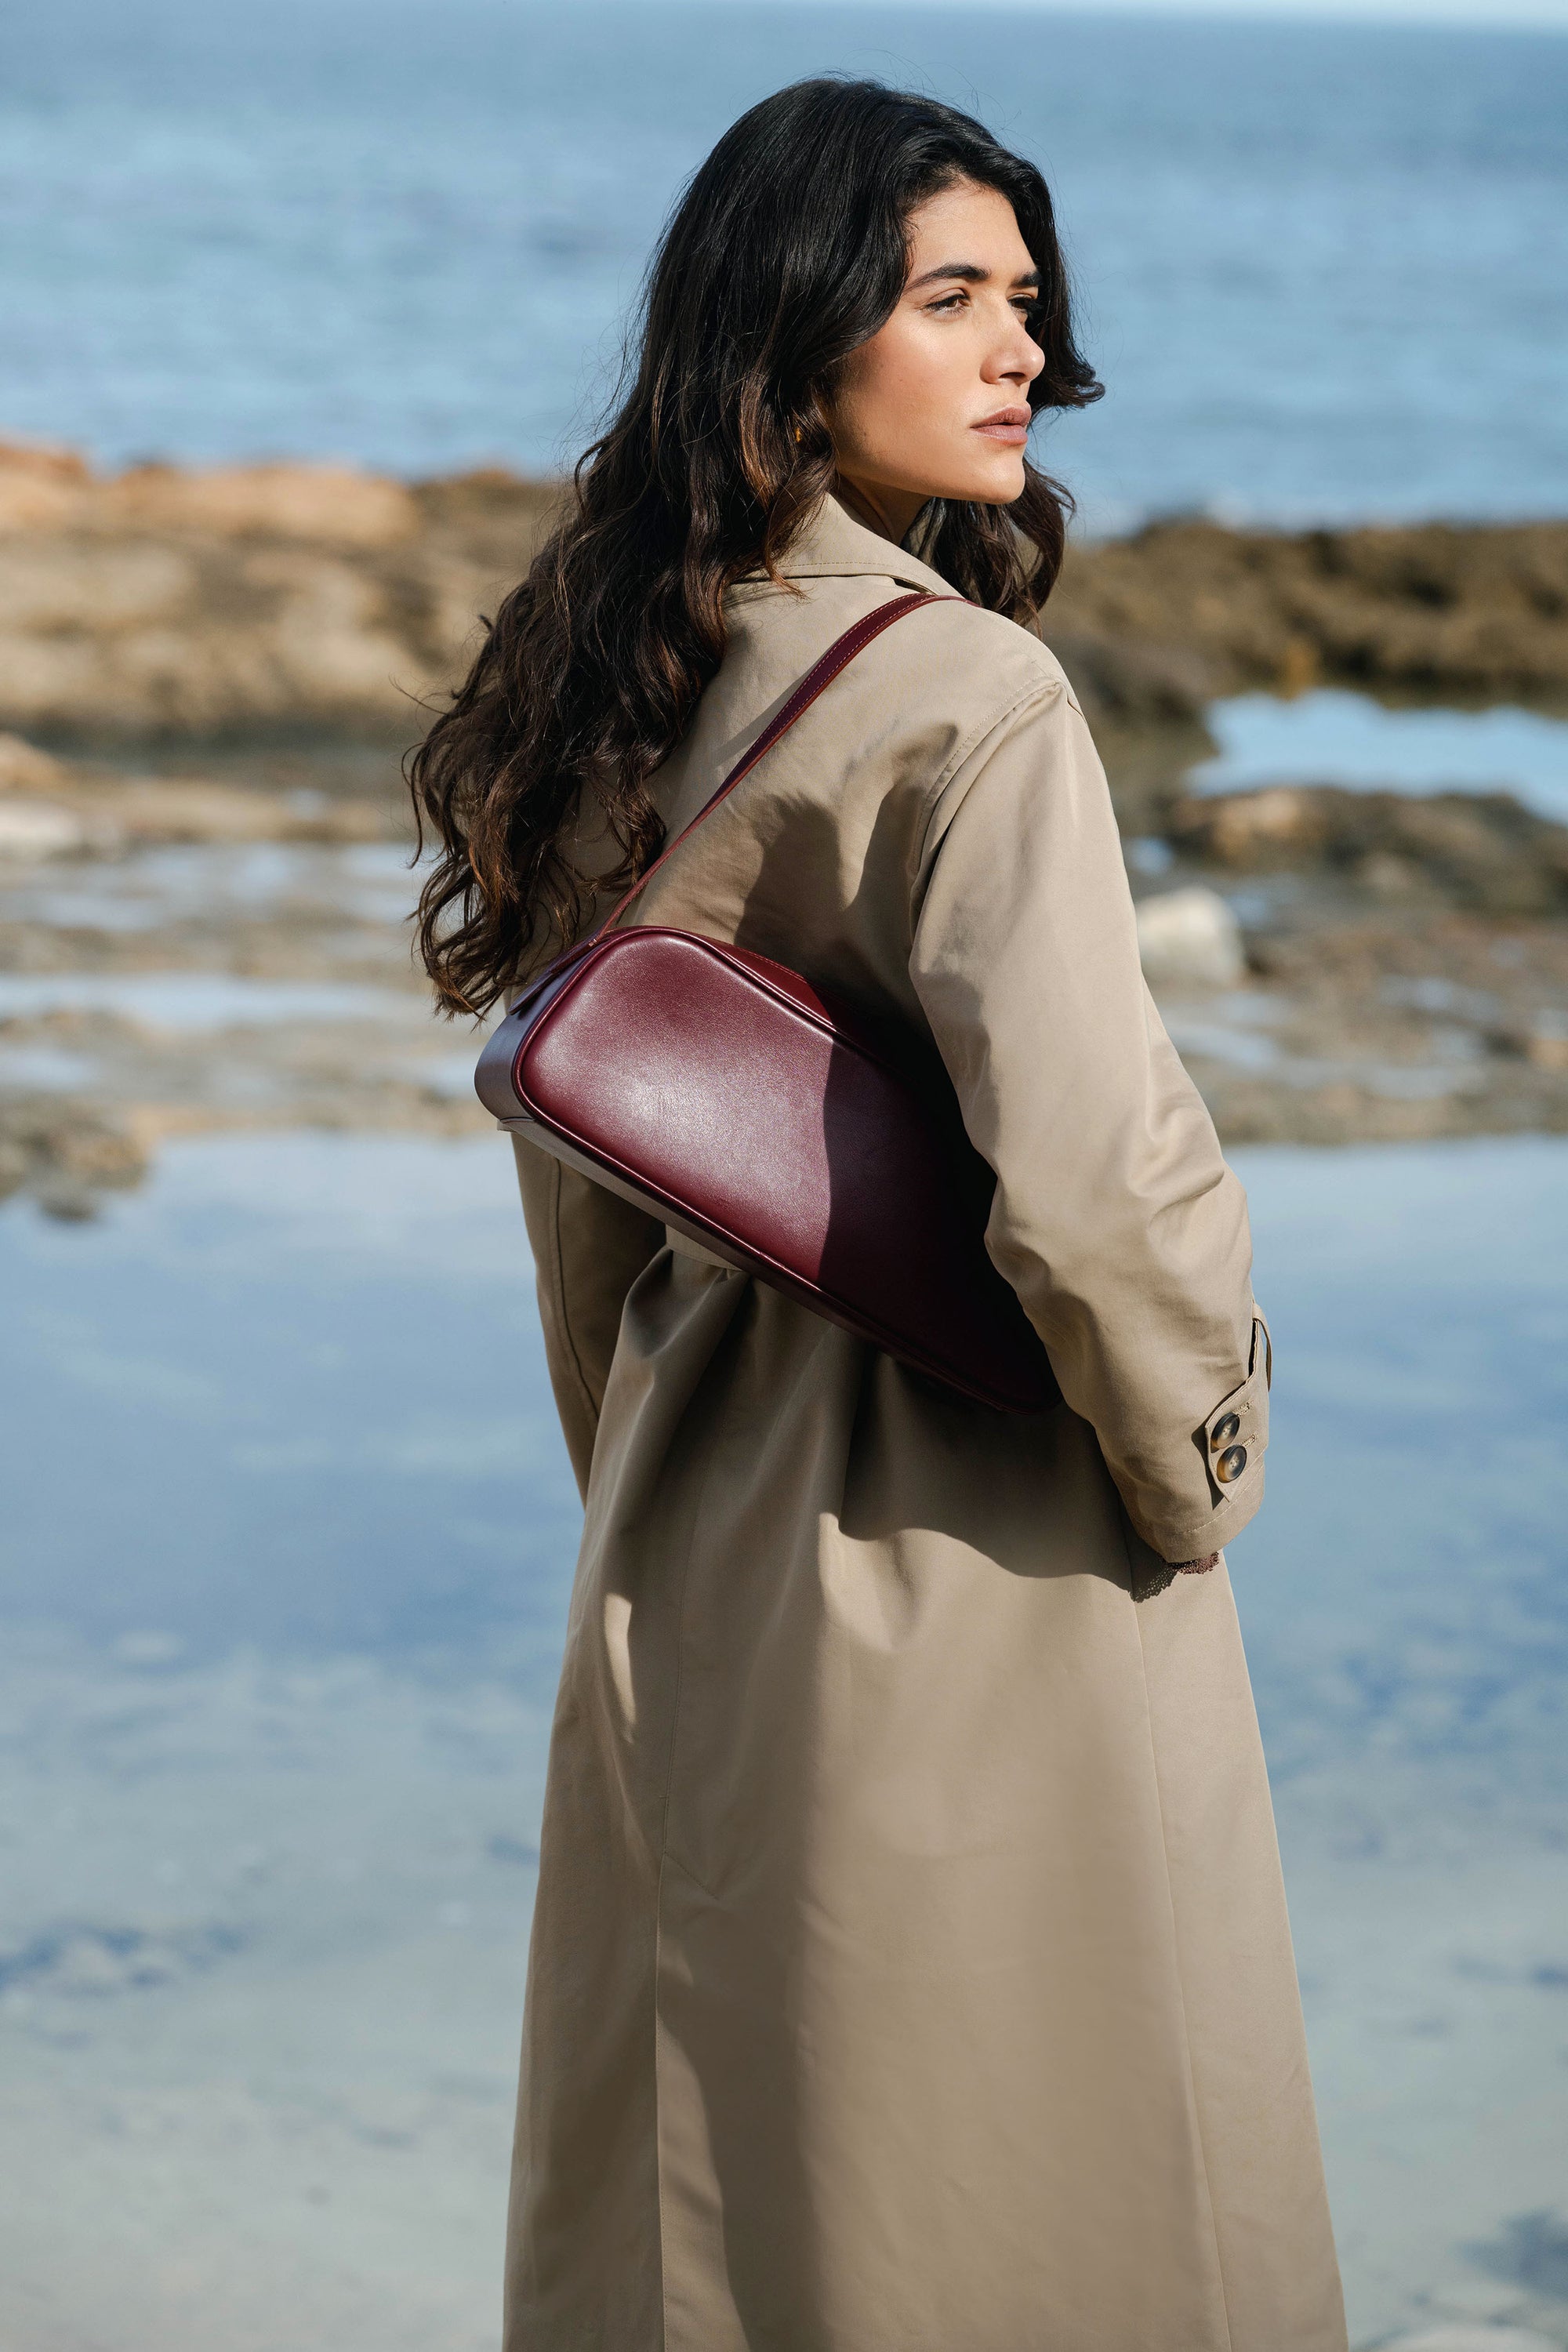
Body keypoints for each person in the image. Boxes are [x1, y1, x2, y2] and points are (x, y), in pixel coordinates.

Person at [410, 76, 1347, 2352]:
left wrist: (639, 1490)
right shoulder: (972, 694)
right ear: (799, 337)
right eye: (952, 299)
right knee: (1070, 2200)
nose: (1020, 348)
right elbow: (1102, 1189)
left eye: (1027, 302)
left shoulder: (622, 670)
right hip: (976, 1529)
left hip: (690, 1518)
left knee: (733, 2188)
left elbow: (580, 1202)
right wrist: (1197, 1470)